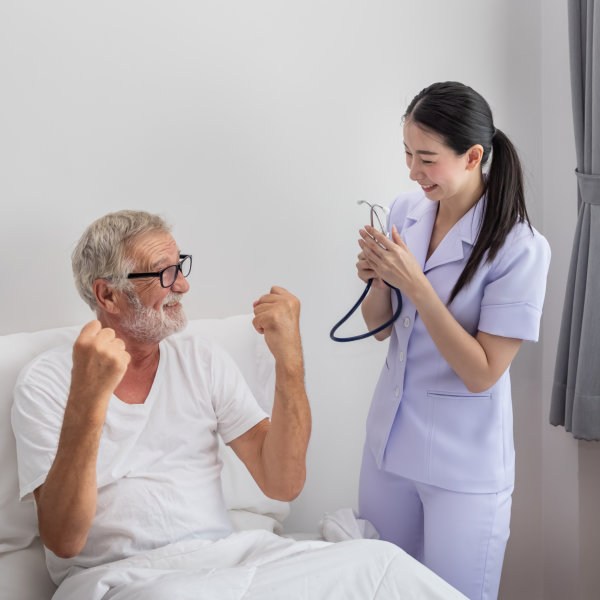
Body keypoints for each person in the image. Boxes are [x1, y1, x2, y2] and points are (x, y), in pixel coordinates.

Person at [11, 210, 466, 600]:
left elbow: (283, 482)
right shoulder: (48, 381)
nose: (183, 285)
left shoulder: (200, 358)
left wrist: (289, 360)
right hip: (124, 581)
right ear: (108, 295)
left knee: (379, 564)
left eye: (180, 266)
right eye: (164, 272)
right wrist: (89, 400)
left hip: (228, 561)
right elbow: (65, 540)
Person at [356, 81, 551, 600]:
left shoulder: (520, 248)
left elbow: (483, 371)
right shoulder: (404, 211)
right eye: (406, 154)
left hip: (462, 469)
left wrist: (415, 285)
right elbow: (379, 330)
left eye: (427, 159)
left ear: (473, 156)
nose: (413, 172)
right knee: (379, 590)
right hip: (388, 448)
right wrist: (379, 276)